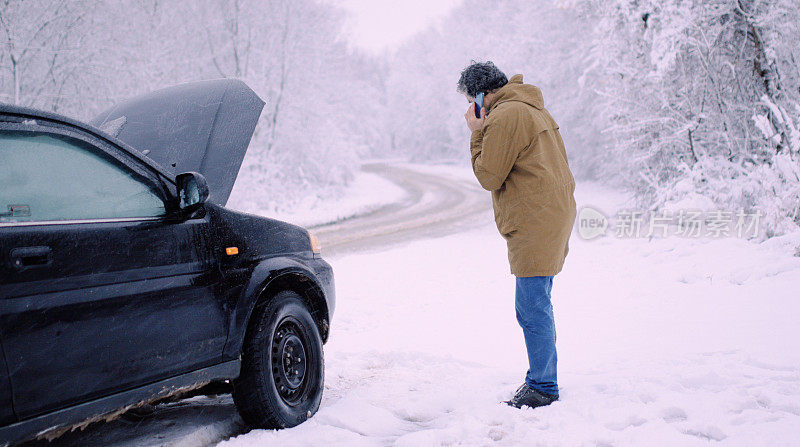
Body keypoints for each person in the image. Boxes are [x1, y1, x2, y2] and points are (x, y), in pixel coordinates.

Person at [458, 61, 576, 409]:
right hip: (549, 212)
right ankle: (543, 378)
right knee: (537, 301)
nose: (472, 106)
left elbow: (488, 176)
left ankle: (543, 386)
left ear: (481, 94)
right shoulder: (529, 105)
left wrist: (476, 131)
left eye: (471, 99)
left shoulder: (505, 115)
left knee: (531, 306)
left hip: (536, 218)